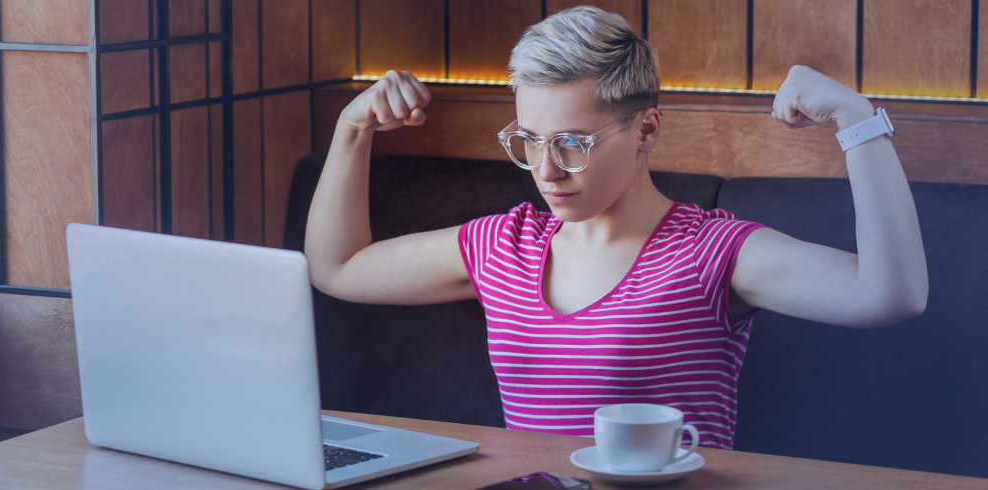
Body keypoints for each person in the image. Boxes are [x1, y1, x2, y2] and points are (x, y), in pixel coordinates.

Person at [304, 7, 928, 450]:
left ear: (646, 131)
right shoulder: (502, 247)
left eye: (572, 144)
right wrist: (352, 129)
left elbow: (890, 294)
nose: (545, 171)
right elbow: (339, 267)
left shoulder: (709, 254)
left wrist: (858, 121)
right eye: (528, 143)